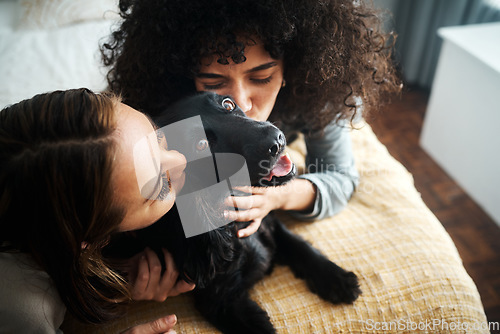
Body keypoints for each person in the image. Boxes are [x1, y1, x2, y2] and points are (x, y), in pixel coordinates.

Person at [101, 0, 401, 237]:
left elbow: (341, 176)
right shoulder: (163, 112)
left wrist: (277, 197)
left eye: (261, 77)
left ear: (292, 68)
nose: (241, 103)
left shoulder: (319, 97)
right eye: (214, 84)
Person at [0, 88, 195, 333]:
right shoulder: (25, 310)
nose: (181, 159)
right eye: (162, 185)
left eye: (158, 136)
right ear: (88, 240)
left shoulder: (76, 137)